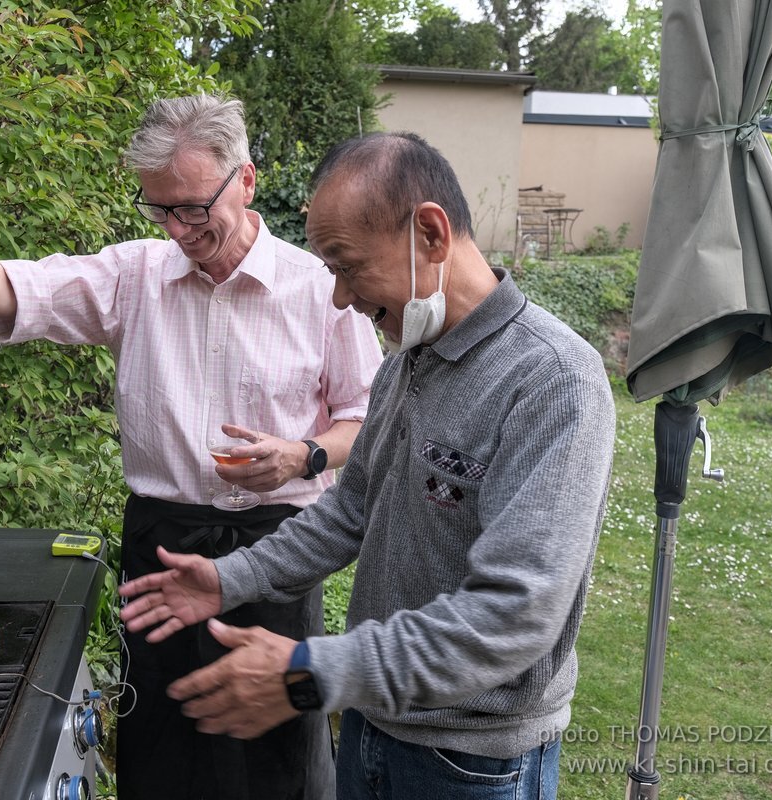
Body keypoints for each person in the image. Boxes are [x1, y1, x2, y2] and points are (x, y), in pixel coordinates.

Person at [0, 94, 383, 800]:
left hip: (279, 550)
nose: (178, 229)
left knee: (279, 756)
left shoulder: (319, 288)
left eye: (192, 207)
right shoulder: (134, 277)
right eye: (160, 210)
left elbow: (366, 417)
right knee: (162, 745)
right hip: (162, 547)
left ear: (245, 181)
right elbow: (9, 288)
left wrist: (304, 456)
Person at [118, 131, 616, 800]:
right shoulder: (409, 363)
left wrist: (312, 672)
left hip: (470, 763)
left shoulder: (552, 382)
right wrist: (227, 578)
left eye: (348, 266)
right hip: (374, 726)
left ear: (431, 234)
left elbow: (515, 615)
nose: (340, 299)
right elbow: (351, 510)